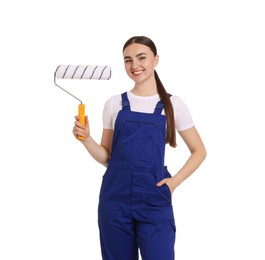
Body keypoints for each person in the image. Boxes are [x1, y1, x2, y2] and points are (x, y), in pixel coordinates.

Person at [73, 36, 207, 260]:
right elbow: (108, 157)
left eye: (141, 57)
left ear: (155, 59)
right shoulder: (114, 103)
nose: (135, 65)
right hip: (115, 198)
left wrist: (173, 183)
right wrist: (87, 139)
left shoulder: (173, 105)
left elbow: (199, 151)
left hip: (154, 198)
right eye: (128, 60)